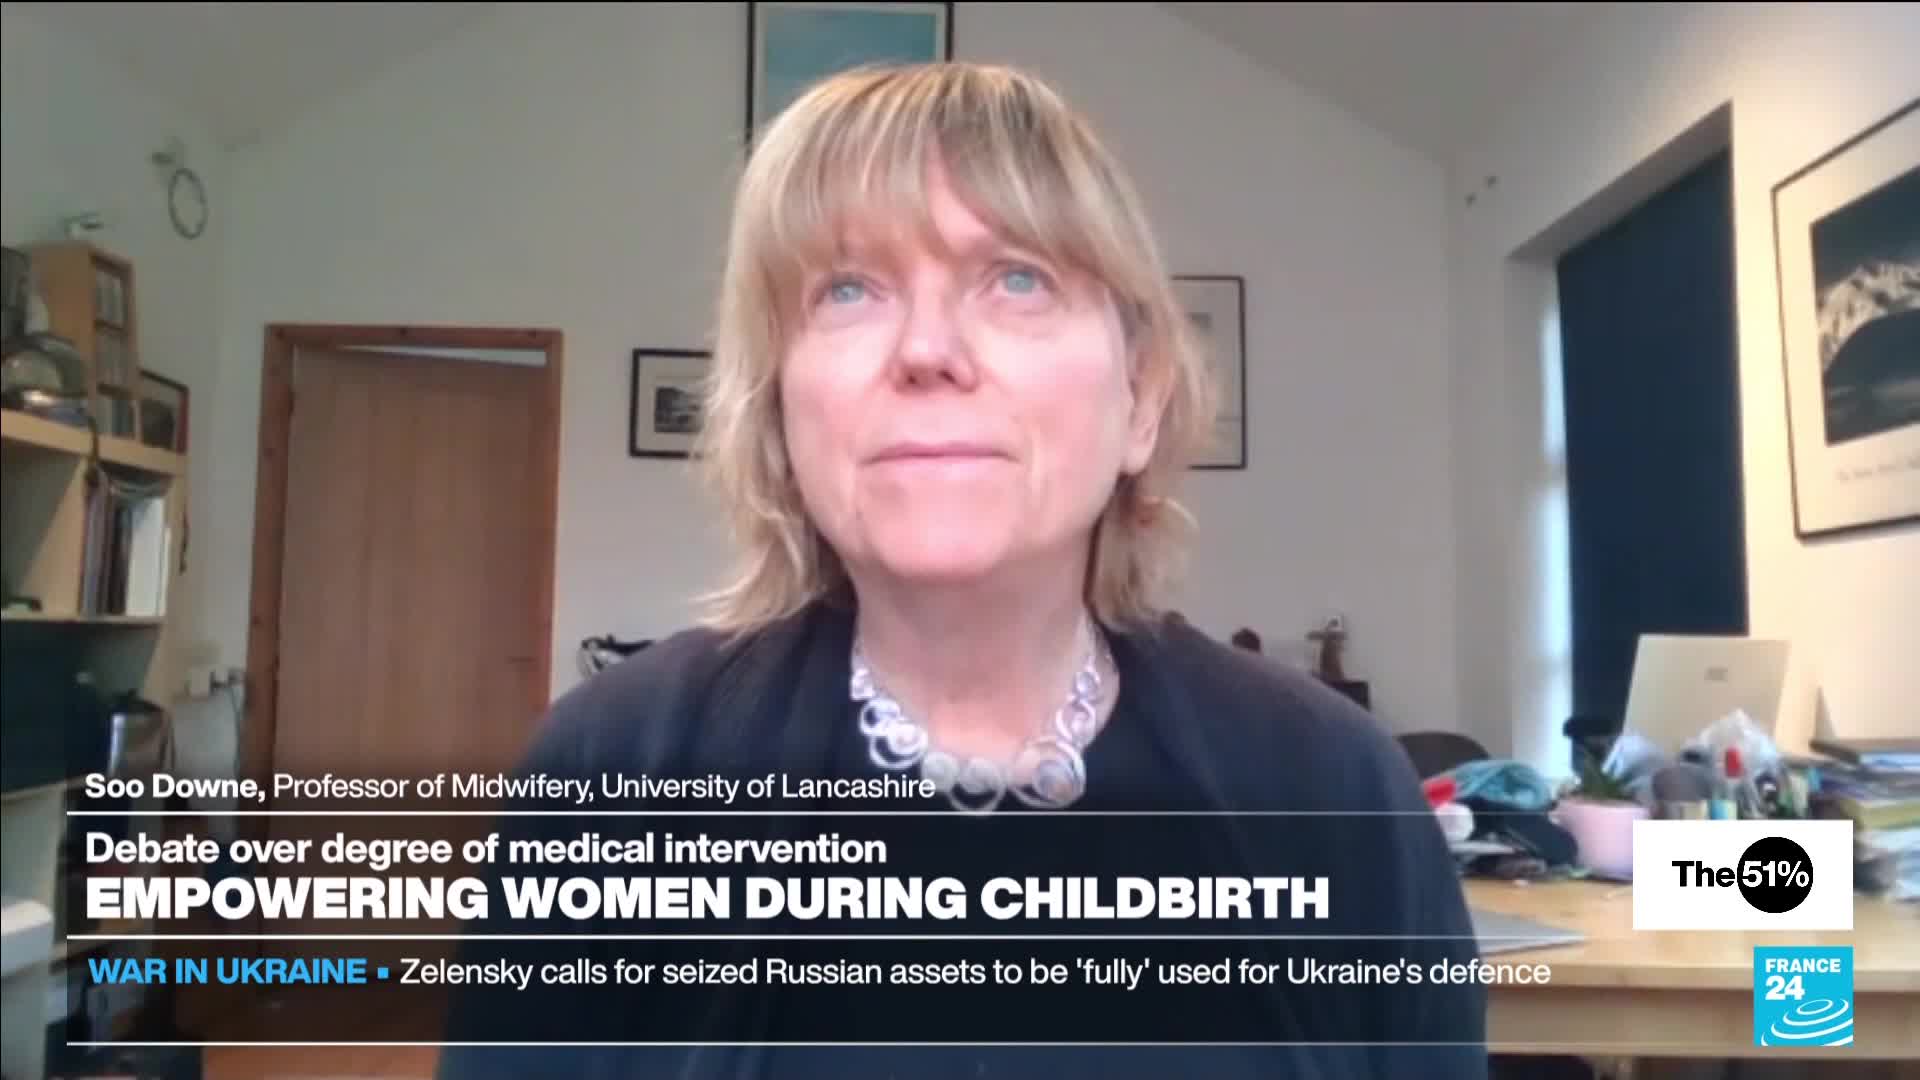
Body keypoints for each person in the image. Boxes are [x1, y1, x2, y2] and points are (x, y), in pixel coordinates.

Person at [435, 61, 1485, 1078]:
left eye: (1018, 278)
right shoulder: (613, 774)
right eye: (849, 288)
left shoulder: (1335, 791)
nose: (926, 348)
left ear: (1143, 399)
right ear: (780, 409)